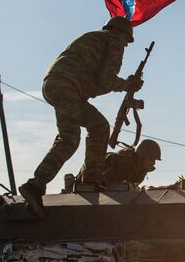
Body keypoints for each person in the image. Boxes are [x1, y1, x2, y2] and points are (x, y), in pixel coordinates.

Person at [19, 16, 143, 218]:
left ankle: (91, 179)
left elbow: (96, 84)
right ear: (121, 35)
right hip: (67, 86)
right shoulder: (112, 42)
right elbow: (106, 80)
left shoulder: (94, 38)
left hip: (60, 85)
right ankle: (36, 185)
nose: (125, 46)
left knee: (99, 127)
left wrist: (124, 86)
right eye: (126, 42)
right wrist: (126, 85)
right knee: (69, 139)